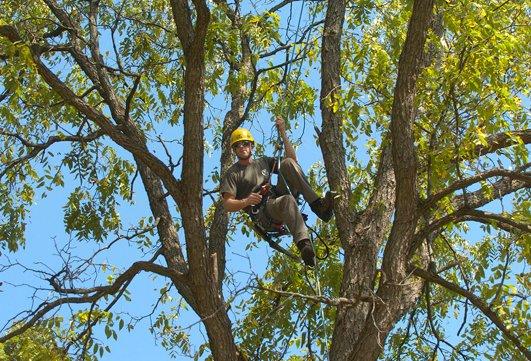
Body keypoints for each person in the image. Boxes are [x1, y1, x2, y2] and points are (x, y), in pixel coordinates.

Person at [220, 116, 334, 267]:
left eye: (245, 143)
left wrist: (283, 132)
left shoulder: (262, 162)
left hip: (276, 196)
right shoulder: (233, 173)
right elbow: (227, 204)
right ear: (234, 150)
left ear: (251, 146)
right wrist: (246, 201)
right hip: (263, 212)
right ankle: (304, 246)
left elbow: (293, 160)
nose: (242, 147)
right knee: (287, 200)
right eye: (238, 145)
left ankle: (318, 206)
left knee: (287, 163)